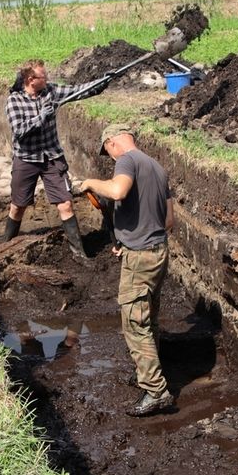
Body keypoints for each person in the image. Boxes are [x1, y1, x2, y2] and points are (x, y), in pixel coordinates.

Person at [78, 124, 176, 417]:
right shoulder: (157, 167)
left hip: (141, 257)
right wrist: (129, 237)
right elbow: (169, 220)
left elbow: (119, 190)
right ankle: (150, 375)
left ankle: (156, 391)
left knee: (135, 324)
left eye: (107, 150)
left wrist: (90, 183)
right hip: (158, 251)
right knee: (149, 318)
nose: (109, 157)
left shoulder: (127, 160)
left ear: (112, 142)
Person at [2, 60, 111, 257]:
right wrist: (41, 117)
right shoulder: (14, 101)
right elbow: (19, 131)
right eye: (44, 77)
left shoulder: (50, 92)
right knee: (18, 206)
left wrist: (103, 82)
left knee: (66, 204)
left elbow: (78, 90)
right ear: (30, 80)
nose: (47, 79)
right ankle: (4, 249)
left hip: (52, 157)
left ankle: (79, 254)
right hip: (26, 158)